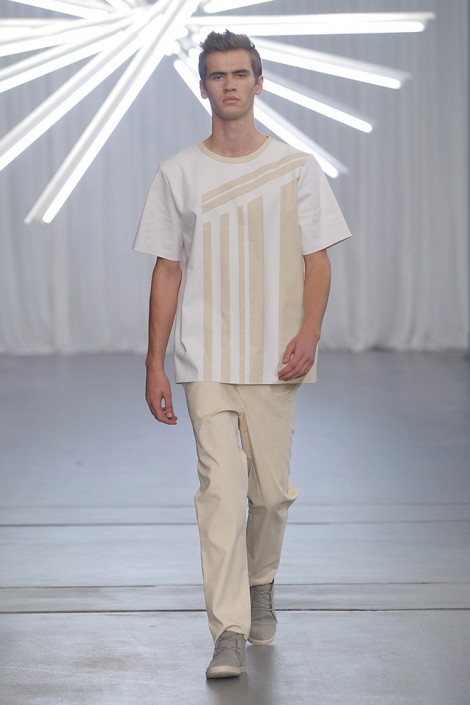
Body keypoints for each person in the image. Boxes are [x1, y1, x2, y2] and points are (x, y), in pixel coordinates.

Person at [133, 30, 351, 679]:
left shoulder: (296, 167)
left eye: (239, 74)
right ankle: (227, 630)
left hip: (275, 355)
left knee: (271, 495)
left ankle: (261, 582)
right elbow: (167, 269)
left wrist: (309, 333)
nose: (229, 84)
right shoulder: (177, 172)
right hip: (204, 356)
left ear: (259, 82)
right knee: (221, 493)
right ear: (203, 87)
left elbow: (318, 260)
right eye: (217, 75)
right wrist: (154, 362)